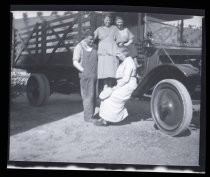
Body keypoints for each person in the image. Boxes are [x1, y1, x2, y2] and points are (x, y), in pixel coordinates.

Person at [95, 47, 138, 126]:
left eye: (119, 53)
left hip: (127, 85)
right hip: (123, 84)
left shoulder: (129, 62)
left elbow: (126, 79)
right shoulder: (125, 61)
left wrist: (115, 88)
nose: (117, 55)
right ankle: (104, 118)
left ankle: (106, 120)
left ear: (124, 53)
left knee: (111, 97)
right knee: (106, 96)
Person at [73, 30, 98, 123]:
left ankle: (91, 115)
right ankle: (88, 117)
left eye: (93, 39)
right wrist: (84, 70)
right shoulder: (79, 47)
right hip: (86, 76)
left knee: (94, 96)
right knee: (88, 96)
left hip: (95, 75)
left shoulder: (95, 47)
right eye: (90, 39)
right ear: (85, 38)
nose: (92, 41)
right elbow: (75, 61)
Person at [94, 14, 119, 90]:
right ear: (103, 20)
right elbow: (92, 37)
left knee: (111, 70)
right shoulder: (99, 29)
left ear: (111, 21)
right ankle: (105, 85)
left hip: (112, 50)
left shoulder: (115, 28)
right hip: (103, 52)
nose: (108, 21)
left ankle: (110, 86)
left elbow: (119, 39)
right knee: (104, 70)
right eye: (106, 20)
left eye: (109, 20)